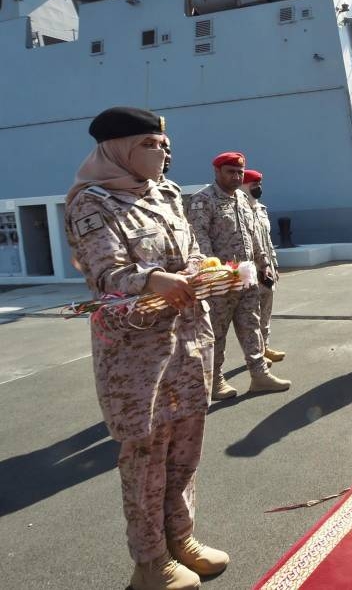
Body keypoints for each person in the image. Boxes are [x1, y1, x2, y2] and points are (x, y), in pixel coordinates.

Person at [65, 106, 228, 590]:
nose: (162, 153)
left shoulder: (168, 193)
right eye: (149, 145)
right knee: (145, 459)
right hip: (137, 357)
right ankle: (150, 562)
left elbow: (191, 251)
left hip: (189, 342)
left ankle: (181, 539)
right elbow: (105, 274)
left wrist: (201, 270)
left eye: (164, 145)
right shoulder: (92, 202)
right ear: (118, 150)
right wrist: (154, 278)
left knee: (185, 452)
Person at [186, 152, 290, 399]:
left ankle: (259, 375)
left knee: (251, 326)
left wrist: (263, 263)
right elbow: (198, 238)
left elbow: (253, 235)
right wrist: (213, 271)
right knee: (216, 333)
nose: (236, 176)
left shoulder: (242, 199)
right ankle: (215, 381)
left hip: (246, 277)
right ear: (217, 172)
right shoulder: (203, 200)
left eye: (239, 172)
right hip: (219, 282)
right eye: (230, 172)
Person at [240, 169, 286, 362]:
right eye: (254, 185)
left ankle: (264, 347)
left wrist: (274, 265)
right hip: (248, 270)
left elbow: (267, 240)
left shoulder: (261, 209)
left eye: (259, 184)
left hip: (266, 269)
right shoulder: (239, 210)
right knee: (251, 316)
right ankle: (255, 354)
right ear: (243, 186)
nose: (258, 188)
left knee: (266, 311)